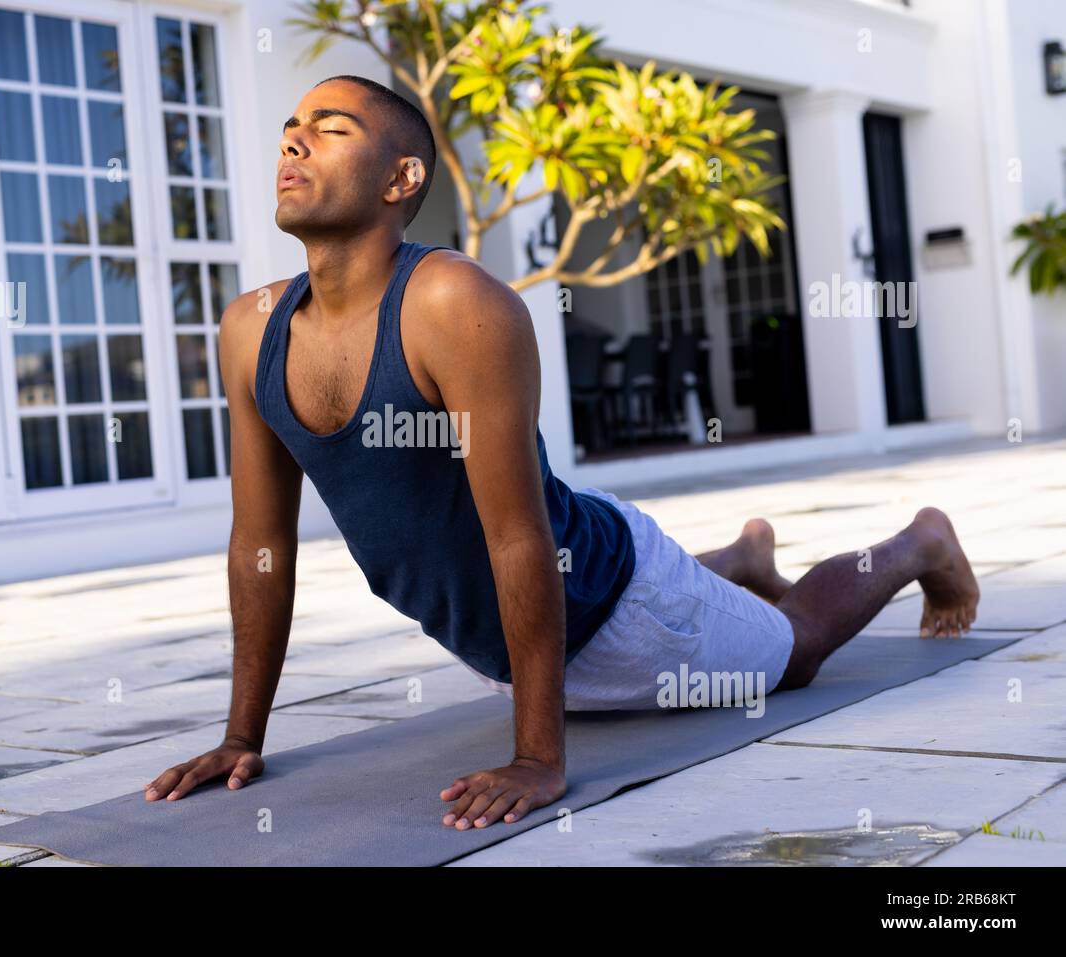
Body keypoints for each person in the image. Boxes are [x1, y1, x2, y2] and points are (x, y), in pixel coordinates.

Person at [144, 75, 980, 831]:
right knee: (700, 599)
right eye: (292, 125)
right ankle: (741, 556)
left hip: (612, 609)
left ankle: (920, 542)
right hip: (511, 639)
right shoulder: (250, 327)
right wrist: (239, 735)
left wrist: (540, 758)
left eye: (331, 129)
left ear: (403, 181)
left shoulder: (453, 304)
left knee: (794, 650)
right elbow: (261, 545)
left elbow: (518, 537)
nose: (292, 140)